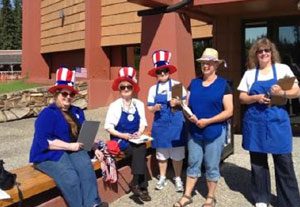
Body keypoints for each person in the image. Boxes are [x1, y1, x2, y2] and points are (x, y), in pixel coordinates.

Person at [29, 67, 108, 207]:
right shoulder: (47, 114)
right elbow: (44, 142)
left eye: (71, 94)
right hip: (48, 153)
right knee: (70, 178)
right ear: (56, 94)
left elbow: (84, 134)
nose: (68, 97)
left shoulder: (77, 111)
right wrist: (69, 146)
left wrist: (94, 147)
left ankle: (93, 204)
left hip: (72, 149)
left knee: (86, 168)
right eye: (64, 93)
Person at [237, 37, 300, 207]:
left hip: (277, 122)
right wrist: (255, 97)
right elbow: (242, 97)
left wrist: (282, 93)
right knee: (258, 163)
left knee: (284, 162)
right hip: (255, 122)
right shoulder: (250, 73)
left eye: (267, 50)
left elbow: (296, 91)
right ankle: (261, 198)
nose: (264, 53)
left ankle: (290, 202)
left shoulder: (282, 69)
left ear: (272, 53)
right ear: (255, 54)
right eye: (260, 51)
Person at [173, 48, 233, 207]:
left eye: (209, 63)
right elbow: (186, 105)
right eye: (203, 63)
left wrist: (208, 121)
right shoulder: (194, 83)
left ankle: (211, 197)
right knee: (193, 162)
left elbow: (229, 111)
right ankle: (187, 194)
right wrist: (185, 111)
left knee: (212, 164)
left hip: (214, 131)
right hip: (195, 131)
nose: (205, 65)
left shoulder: (224, 85)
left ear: (216, 65)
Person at [104, 67, 151, 202]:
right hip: (120, 139)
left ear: (133, 88)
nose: (125, 89)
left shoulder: (139, 104)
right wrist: (124, 135)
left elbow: (143, 122)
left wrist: (139, 132)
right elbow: (109, 127)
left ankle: (136, 183)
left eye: (128, 86)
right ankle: (141, 186)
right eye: (123, 87)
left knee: (140, 147)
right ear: (119, 89)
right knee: (140, 150)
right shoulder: (115, 105)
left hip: (135, 137)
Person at [147, 49, 186, 192]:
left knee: (177, 154)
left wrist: (177, 103)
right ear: (156, 73)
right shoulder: (153, 89)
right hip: (160, 125)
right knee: (162, 153)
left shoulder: (176, 85)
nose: (162, 74)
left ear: (169, 71)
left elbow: (184, 105)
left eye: (165, 71)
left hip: (175, 123)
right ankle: (162, 177)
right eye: (159, 71)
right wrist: (155, 108)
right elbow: (149, 108)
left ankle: (177, 178)